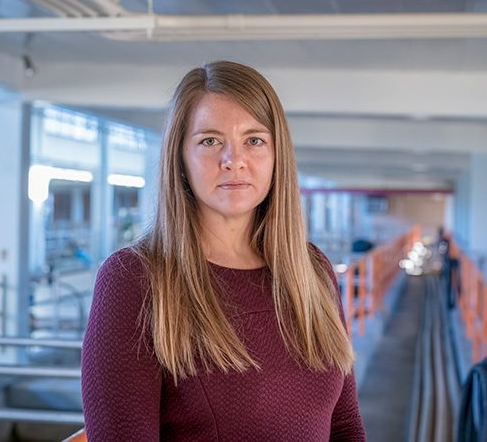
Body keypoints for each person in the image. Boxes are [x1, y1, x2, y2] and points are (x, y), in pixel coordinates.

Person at [81, 61, 367, 441]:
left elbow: (345, 426)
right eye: (210, 141)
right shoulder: (135, 281)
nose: (234, 160)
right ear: (180, 159)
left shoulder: (311, 270)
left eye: (254, 140)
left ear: (276, 155)